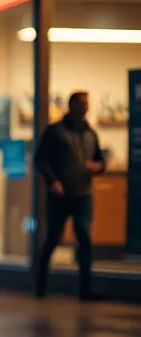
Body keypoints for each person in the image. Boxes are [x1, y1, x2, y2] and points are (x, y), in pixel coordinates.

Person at [32, 91, 106, 301]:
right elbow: (40, 158)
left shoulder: (91, 133)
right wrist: (52, 180)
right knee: (53, 237)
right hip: (60, 195)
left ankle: (85, 289)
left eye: (87, 104)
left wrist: (98, 167)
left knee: (83, 235)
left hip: (83, 193)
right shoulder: (56, 131)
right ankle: (40, 285)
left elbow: (100, 159)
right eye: (81, 104)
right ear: (71, 106)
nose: (85, 108)